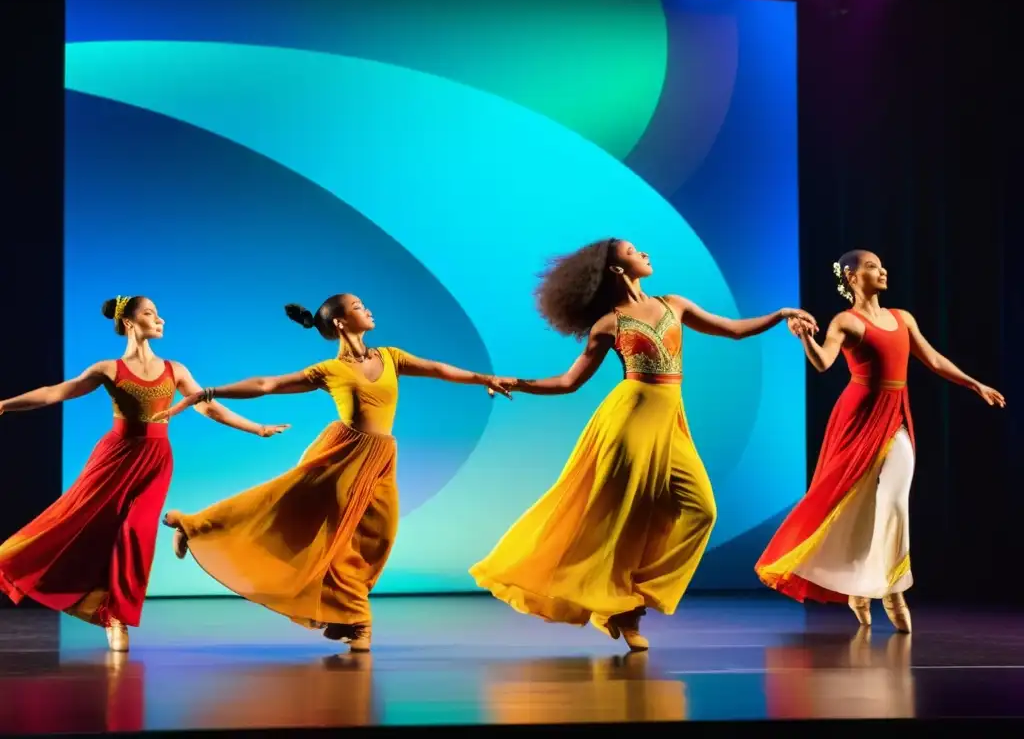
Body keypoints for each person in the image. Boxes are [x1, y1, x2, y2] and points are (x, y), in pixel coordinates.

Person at [469, 238, 816, 651]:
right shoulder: (608, 324)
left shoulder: (674, 304)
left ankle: (625, 597)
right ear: (617, 269)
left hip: (670, 422)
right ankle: (624, 611)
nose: (645, 253)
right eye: (634, 251)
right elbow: (568, 382)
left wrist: (780, 314)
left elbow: (734, 331)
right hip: (628, 424)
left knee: (702, 510)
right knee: (620, 523)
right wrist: (515, 383)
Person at [154, 293, 510, 653]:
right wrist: (210, 392)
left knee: (377, 538)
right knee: (310, 522)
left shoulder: (391, 356)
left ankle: (342, 616)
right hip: (343, 454)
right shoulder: (329, 370)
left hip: (382, 455)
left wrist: (484, 378)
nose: (368, 309)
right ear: (340, 322)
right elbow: (267, 385)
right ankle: (198, 526)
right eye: (358, 307)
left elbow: (438, 369)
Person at [0, 295, 288, 652]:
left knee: (136, 532)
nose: (160, 319)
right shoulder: (107, 369)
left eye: (159, 313)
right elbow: (56, 392)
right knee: (79, 520)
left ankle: (118, 616)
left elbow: (208, 407)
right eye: (151, 314)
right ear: (131, 322)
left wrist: (256, 428)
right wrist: (3, 405)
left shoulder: (175, 370)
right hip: (115, 457)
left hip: (155, 460)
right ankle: (16, 561)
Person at [756, 250, 1005, 632]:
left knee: (894, 503)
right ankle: (859, 589)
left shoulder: (902, 318)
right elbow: (823, 363)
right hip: (856, 417)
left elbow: (934, 360)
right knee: (849, 504)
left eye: (881, 264)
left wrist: (975, 384)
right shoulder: (845, 321)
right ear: (852, 277)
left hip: (895, 414)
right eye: (872, 266)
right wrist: (806, 337)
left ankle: (890, 588)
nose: (882, 270)